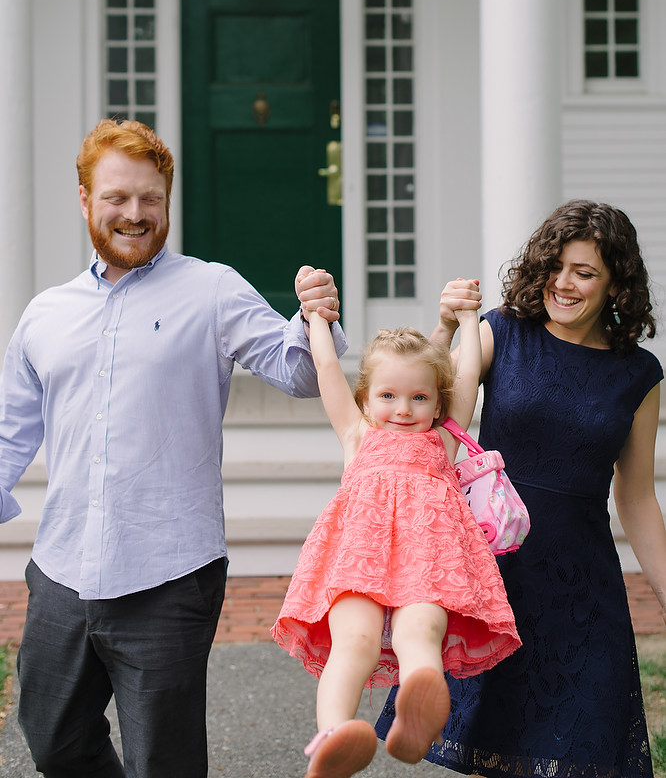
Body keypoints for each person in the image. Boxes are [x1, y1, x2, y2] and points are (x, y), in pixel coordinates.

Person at [0, 117, 346, 778]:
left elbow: (298, 373)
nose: (135, 214)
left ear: (167, 201)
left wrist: (314, 319)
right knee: (52, 739)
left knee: (166, 761)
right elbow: (10, 431)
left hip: (169, 571)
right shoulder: (46, 312)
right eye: (117, 198)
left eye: (150, 199)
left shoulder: (211, 290)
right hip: (62, 569)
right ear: (85, 201)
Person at [376, 199, 666, 778]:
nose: (563, 283)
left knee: (583, 746)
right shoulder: (499, 332)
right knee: (502, 745)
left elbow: (635, 497)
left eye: (584, 272)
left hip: (583, 585)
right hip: (493, 573)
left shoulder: (638, 374)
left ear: (616, 285)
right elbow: (439, 426)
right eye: (555, 266)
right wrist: (445, 326)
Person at [272, 286, 521, 778]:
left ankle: (418, 710)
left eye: (419, 397)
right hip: (359, 555)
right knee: (354, 643)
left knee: (421, 632)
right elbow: (326, 370)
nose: (403, 408)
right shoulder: (358, 433)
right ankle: (333, 737)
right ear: (365, 398)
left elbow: (468, 372)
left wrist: (469, 318)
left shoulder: (445, 440)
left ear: (437, 403)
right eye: (388, 396)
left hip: (430, 556)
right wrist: (314, 318)